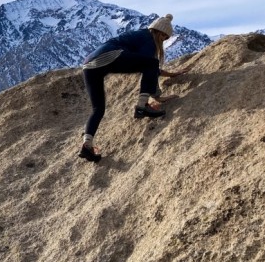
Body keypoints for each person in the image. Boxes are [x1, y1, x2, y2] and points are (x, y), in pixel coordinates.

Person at [78, 14, 191, 162]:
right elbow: (150, 64)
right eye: (164, 38)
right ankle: (142, 106)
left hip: (89, 65)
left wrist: (166, 78)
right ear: (160, 32)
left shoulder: (140, 35)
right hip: (110, 56)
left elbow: (146, 66)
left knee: (98, 109)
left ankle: (87, 144)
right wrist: (159, 91)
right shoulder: (149, 38)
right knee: (151, 63)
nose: (163, 41)